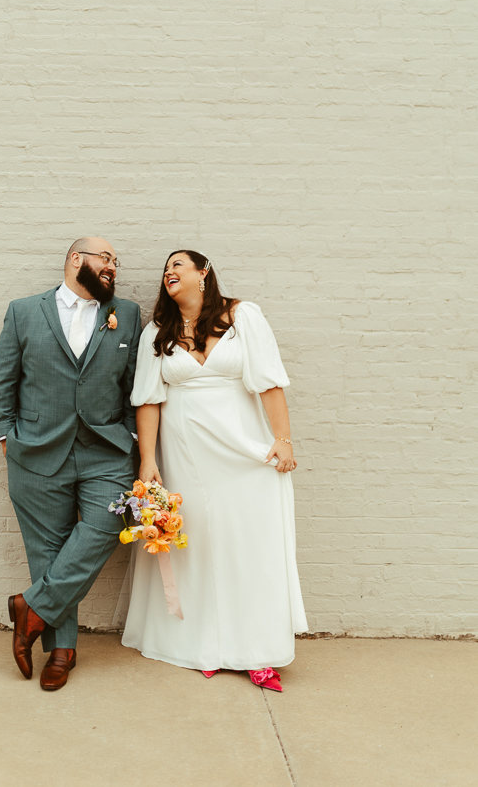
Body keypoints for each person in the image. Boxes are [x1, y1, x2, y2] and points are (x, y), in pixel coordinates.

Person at [121, 250, 307, 691]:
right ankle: (202, 645)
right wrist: (148, 461)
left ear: (204, 273)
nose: (169, 272)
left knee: (249, 547)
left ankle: (258, 652)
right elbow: (148, 400)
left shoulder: (243, 317)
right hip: (186, 457)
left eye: (178, 265)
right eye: (165, 269)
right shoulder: (157, 332)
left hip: (243, 452)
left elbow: (270, 381)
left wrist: (282, 440)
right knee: (197, 550)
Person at [0, 237, 142, 691]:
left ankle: (30, 608)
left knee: (107, 525)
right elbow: (3, 377)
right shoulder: (23, 311)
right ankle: (62, 650)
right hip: (35, 448)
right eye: (106, 258)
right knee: (47, 550)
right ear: (77, 260)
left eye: (116, 261)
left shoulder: (128, 314)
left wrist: (132, 434)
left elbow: (137, 381)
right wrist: (5, 433)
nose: (113, 266)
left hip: (107, 450)